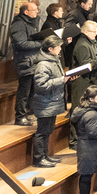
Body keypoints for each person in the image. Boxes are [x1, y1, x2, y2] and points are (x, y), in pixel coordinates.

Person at [31, 35, 75, 167]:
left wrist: (67, 79)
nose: (60, 49)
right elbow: (41, 85)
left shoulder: (54, 61)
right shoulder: (43, 65)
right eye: (58, 47)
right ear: (50, 49)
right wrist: (61, 80)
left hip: (51, 102)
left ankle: (45, 156)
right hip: (45, 103)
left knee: (47, 131)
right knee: (42, 132)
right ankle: (38, 159)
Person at [10, 2, 42, 126]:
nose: (37, 12)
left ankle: (27, 114)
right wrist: (41, 43)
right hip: (25, 61)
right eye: (34, 10)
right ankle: (20, 117)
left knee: (32, 91)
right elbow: (21, 43)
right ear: (26, 12)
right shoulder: (19, 24)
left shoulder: (32, 22)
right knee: (24, 91)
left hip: (33, 60)